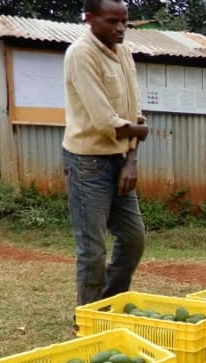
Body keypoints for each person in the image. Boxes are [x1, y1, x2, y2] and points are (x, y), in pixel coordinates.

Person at [63, 0, 149, 306]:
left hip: (120, 158)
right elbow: (103, 120)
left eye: (124, 22)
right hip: (88, 163)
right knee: (93, 250)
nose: (121, 28)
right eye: (112, 22)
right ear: (90, 19)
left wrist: (131, 159)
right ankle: (86, 321)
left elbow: (134, 111)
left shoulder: (124, 51)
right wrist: (138, 131)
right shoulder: (80, 55)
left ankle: (109, 305)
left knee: (133, 238)